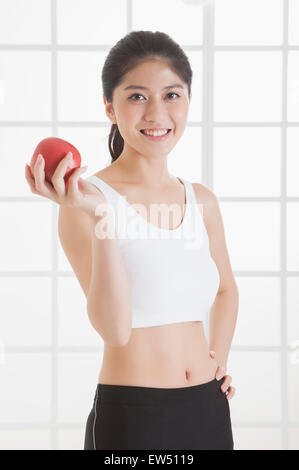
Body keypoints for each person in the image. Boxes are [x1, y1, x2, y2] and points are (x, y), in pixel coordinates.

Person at [25, 30, 238, 450]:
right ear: (110, 107)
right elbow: (114, 329)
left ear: (188, 102)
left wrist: (220, 357)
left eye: (172, 95)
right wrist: (103, 217)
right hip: (135, 416)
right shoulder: (86, 202)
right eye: (138, 97)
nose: (157, 113)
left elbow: (227, 289)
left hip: (208, 411)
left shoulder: (202, 200)